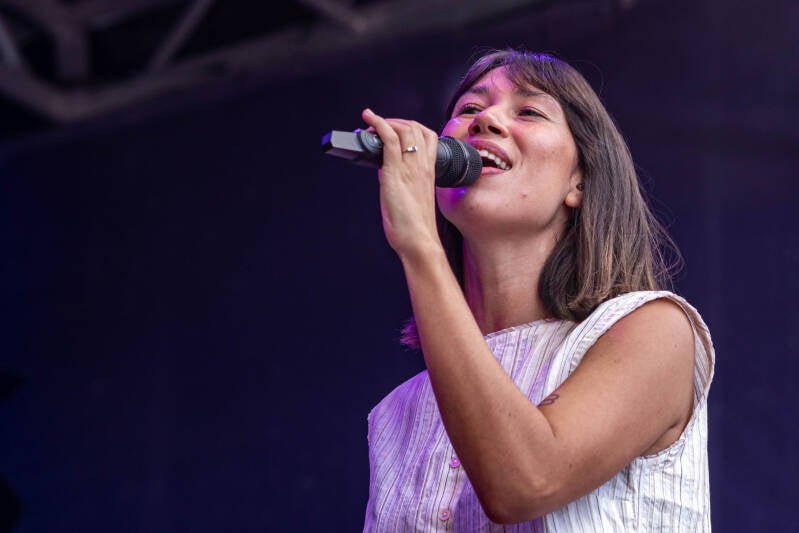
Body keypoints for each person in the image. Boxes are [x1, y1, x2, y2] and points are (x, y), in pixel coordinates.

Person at [359, 49, 714, 531]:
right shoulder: (397, 415)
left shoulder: (653, 331)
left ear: (580, 181)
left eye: (529, 111)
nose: (486, 119)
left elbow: (524, 483)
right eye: (467, 109)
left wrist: (419, 243)